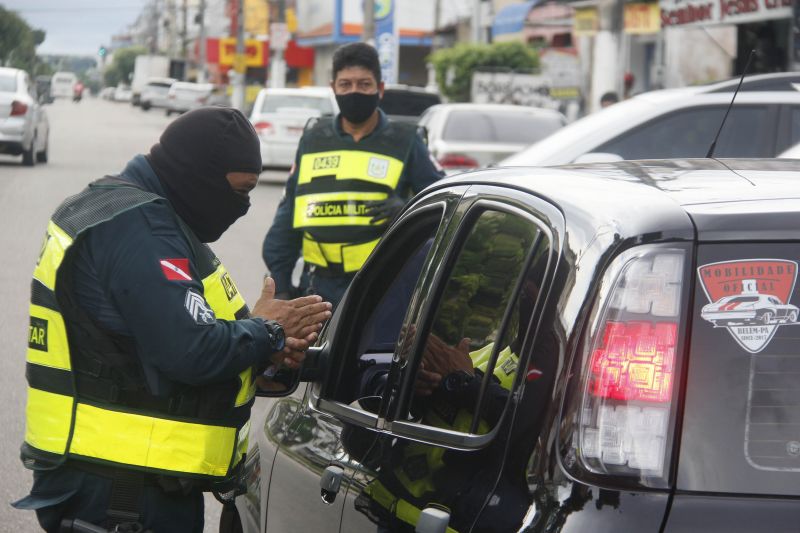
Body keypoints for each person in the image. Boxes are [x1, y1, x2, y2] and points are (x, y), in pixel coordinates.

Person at [12, 107, 332, 533]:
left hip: (127, 482)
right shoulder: (138, 227)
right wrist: (268, 329)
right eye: (240, 190)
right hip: (121, 492)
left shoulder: (135, 213)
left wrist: (265, 351)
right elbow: (190, 350)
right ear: (200, 176)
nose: (243, 206)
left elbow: (145, 347)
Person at [262, 42, 444, 308]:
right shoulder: (314, 138)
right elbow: (290, 213)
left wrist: (407, 209)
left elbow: (443, 203)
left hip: (383, 288)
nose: (354, 92)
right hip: (317, 288)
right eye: (345, 85)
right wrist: (282, 286)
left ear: (379, 89)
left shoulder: (406, 141)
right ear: (333, 88)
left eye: (364, 84)